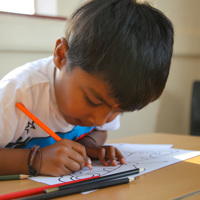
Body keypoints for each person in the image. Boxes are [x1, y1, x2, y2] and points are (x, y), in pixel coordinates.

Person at [0, 0, 174, 177]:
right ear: (61, 56)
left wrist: (89, 145)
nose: (99, 120)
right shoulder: (16, 93)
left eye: (117, 111)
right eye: (92, 100)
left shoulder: (108, 102)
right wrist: (35, 160)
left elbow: (100, 130)